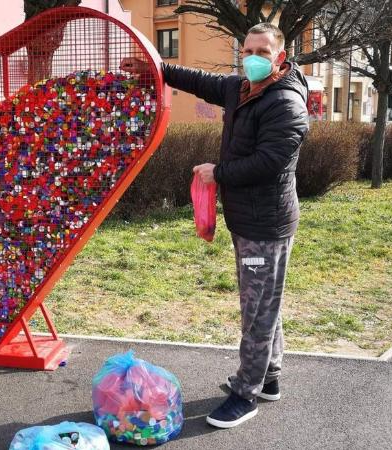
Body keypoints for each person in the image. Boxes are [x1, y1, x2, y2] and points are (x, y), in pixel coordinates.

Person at [121, 22, 309, 429]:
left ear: (280, 57)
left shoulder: (286, 103)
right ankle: (270, 377)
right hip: (247, 219)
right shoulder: (242, 89)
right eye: (247, 51)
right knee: (265, 303)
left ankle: (246, 395)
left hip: (266, 224)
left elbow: (269, 161)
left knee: (257, 310)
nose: (252, 59)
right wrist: (154, 69)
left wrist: (217, 172)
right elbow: (199, 80)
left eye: (262, 52)